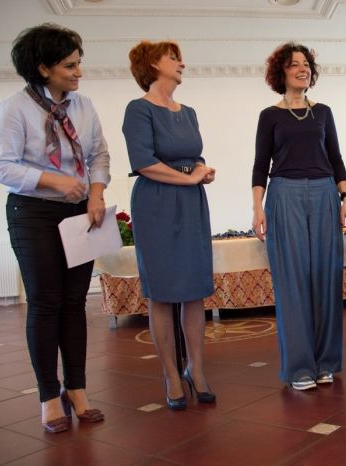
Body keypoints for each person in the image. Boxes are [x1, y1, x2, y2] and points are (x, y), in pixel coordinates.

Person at [0, 23, 109, 433]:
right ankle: (48, 396)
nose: (79, 72)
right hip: (33, 213)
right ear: (43, 68)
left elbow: (99, 155)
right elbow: (0, 166)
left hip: (79, 212)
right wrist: (54, 181)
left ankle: (77, 390)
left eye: (79, 63)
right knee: (45, 303)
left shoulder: (84, 105)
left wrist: (95, 195)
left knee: (74, 304)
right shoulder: (14, 108)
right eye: (69, 66)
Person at [252, 42, 346, 391]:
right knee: (292, 282)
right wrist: (257, 208)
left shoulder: (323, 112)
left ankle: (326, 363)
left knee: (326, 276)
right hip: (284, 194)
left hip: (325, 192)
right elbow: (260, 165)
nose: (303, 69)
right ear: (280, 72)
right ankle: (299, 368)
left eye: (306, 64)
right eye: (295, 64)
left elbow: (336, 157)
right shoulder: (269, 116)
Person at [122, 40, 217, 409]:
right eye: (173, 58)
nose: (182, 63)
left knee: (194, 290)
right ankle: (171, 375)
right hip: (156, 204)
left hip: (191, 203)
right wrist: (189, 178)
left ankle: (197, 369)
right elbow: (143, 162)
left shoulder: (188, 112)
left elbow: (194, 155)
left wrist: (201, 171)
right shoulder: (139, 109)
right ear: (152, 65)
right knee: (161, 292)